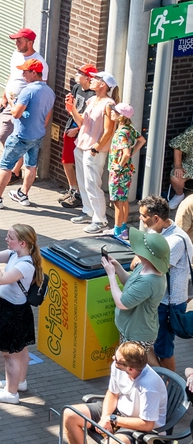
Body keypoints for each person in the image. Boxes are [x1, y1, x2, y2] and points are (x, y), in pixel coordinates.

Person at [0, 57, 54, 209]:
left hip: (21, 136)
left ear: (34, 73)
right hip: (38, 134)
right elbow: (47, 115)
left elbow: (15, 113)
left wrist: (12, 102)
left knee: (5, 166)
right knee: (31, 165)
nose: (22, 75)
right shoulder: (49, 92)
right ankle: (23, 194)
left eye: (25, 72)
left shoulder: (28, 91)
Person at [60, 340, 167, 444]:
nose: (113, 358)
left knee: (112, 443)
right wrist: (105, 417)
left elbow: (147, 424)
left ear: (130, 369)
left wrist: (113, 419)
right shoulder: (119, 367)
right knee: (69, 414)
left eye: (116, 359)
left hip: (141, 427)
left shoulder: (149, 387)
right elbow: (112, 393)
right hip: (118, 414)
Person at [0, 223, 41, 403]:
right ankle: (19, 382)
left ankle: (11, 393)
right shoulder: (14, 254)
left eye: (10, 237)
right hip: (15, 310)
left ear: (23, 243)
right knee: (20, 348)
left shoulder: (25, 265)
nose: (6, 239)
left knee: (9, 353)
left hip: (13, 313)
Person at [141, 196, 193, 371]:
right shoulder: (156, 231)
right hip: (159, 299)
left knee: (164, 349)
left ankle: (169, 383)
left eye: (143, 216)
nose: (140, 219)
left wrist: (140, 258)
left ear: (156, 218)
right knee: (154, 343)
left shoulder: (175, 240)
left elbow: (157, 269)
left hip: (169, 303)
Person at [70, 65, 119, 234]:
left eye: (96, 78)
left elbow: (108, 131)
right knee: (83, 181)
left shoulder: (109, 104)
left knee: (92, 184)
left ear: (103, 84)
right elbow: (82, 122)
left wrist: (96, 148)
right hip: (81, 144)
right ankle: (88, 211)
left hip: (94, 149)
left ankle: (100, 220)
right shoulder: (92, 100)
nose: (91, 79)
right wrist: (72, 109)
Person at [103, 227, 170, 348]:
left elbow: (122, 303)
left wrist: (111, 275)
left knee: (129, 361)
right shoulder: (145, 266)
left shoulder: (149, 281)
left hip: (137, 335)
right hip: (132, 330)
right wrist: (117, 267)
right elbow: (131, 284)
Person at [110, 104, 148, 239]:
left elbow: (125, 153)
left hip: (119, 172)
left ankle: (117, 231)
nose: (111, 113)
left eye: (114, 111)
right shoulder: (129, 129)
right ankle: (123, 229)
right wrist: (132, 153)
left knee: (117, 202)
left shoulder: (121, 133)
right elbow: (142, 140)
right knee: (124, 200)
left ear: (121, 116)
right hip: (127, 171)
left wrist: (119, 165)